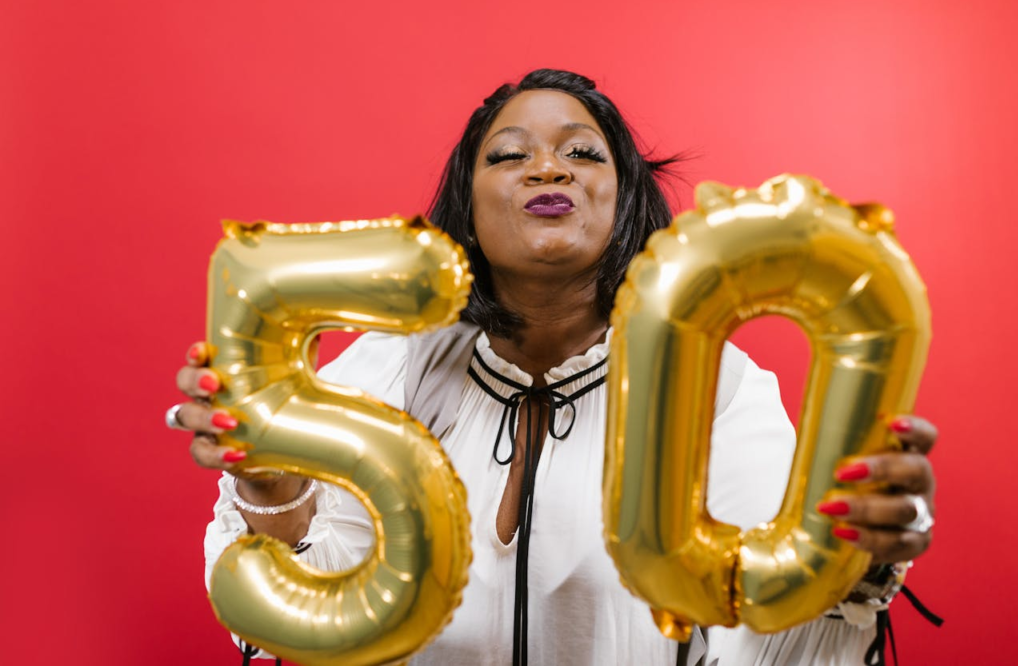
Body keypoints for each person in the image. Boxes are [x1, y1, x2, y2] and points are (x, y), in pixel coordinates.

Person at [168, 69, 938, 665]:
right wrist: (272, 488)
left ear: (625, 198)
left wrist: (849, 565)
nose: (548, 169)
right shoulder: (392, 372)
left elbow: (758, 642)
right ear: (466, 207)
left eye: (581, 152)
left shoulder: (716, 391)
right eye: (509, 155)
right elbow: (315, 624)